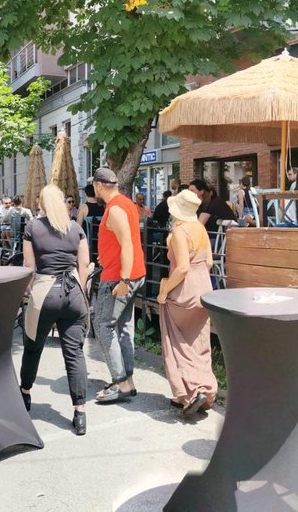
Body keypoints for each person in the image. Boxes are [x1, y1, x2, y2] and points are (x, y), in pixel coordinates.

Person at [20, 184, 93, 435]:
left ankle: (25, 393)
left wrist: (29, 291)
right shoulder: (76, 229)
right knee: (74, 354)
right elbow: (84, 264)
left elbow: (29, 267)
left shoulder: (32, 227)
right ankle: (80, 412)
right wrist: (81, 292)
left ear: (41, 203)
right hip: (73, 291)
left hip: (45, 291)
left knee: (33, 347)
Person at [158, 189, 218, 416]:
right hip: (204, 287)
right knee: (199, 342)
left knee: (177, 342)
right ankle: (205, 389)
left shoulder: (179, 231)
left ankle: (188, 393)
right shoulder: (201, 228)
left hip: (184, 288)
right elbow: (209, 262)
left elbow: (182, 267)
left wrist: (165, 292)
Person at [92, 168, 145, 405]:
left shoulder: (114, 208)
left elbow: (127, 244)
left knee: (103, 325)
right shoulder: (126, 203)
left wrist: (124, 280)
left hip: (119, 277)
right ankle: (127, 381)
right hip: (131, 273)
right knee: (123, 327)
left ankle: (121, 382)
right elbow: (125, 241)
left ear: (99, 186)